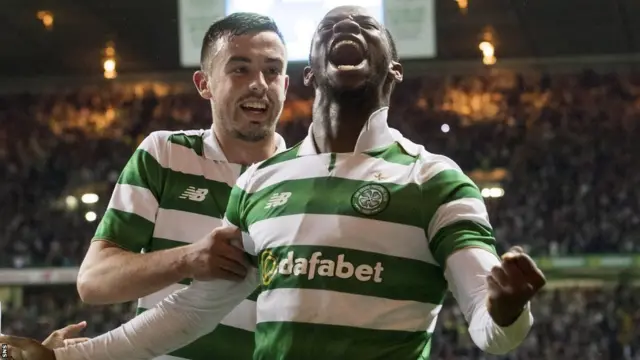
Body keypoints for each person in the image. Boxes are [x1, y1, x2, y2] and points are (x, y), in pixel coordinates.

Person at [0, 5, 545, 360]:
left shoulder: (436, 178)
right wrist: (64, 357)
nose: (347, 28)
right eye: (330, 29)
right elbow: (190, 312)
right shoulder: (260, 182)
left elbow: (491, 328)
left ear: (392, 74)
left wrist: (506, 308)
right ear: (312, 75)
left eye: (367, 29)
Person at [39, 12, 288, 360]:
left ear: (286, 85)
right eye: (240, 68)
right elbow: (93, 282)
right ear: (205, 84)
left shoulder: (302, 176)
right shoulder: (165, 155)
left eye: (272, 70)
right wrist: (188, 259)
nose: (259, 83)